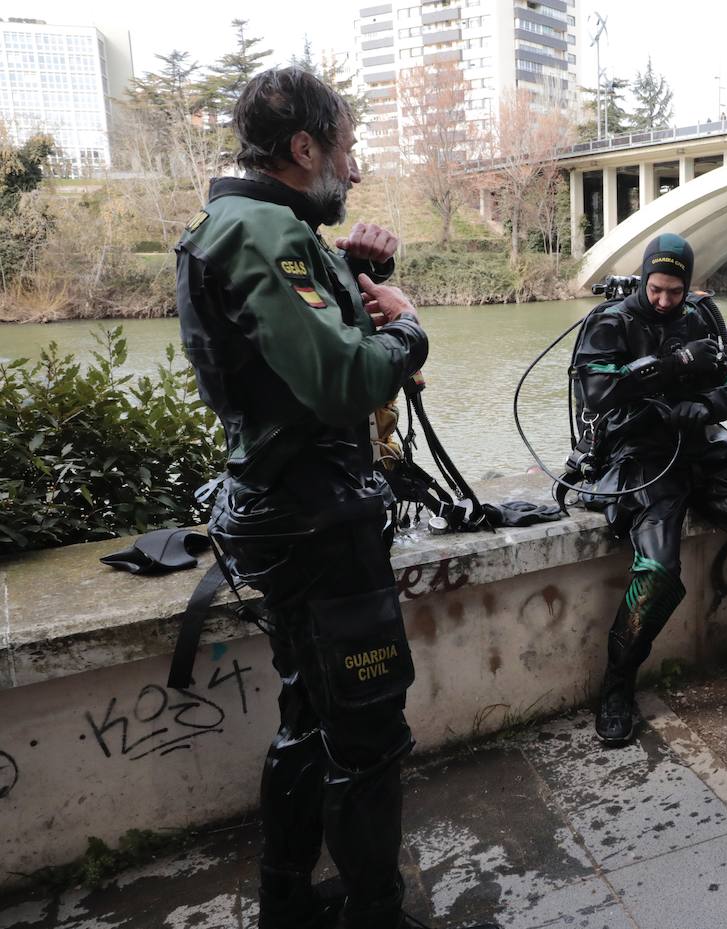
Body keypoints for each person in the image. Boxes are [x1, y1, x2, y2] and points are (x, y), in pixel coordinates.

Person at [174, 67, 494, 929]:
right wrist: (413, 326)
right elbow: (340, 378)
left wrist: (352, 272)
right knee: (367, 737)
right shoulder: (264, 233)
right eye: (344, 152)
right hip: (318, 522)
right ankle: (376, 914)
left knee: (307, 718)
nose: (352, 173)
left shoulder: (243, 223)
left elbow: (282, 349)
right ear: (303, 147)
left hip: (284, 510)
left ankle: (285, 901)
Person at [574, 234, 727, 745]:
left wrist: (704, 409)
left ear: (688, 285)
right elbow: (595, 392)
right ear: (643, 278)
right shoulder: (610, 321)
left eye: (675, 291)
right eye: (656, 289)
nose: (664, 300)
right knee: (657, 570)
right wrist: (676, 365)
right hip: (641, 458)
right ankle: (617, 686)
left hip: (705, 452)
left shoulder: (701, 315)